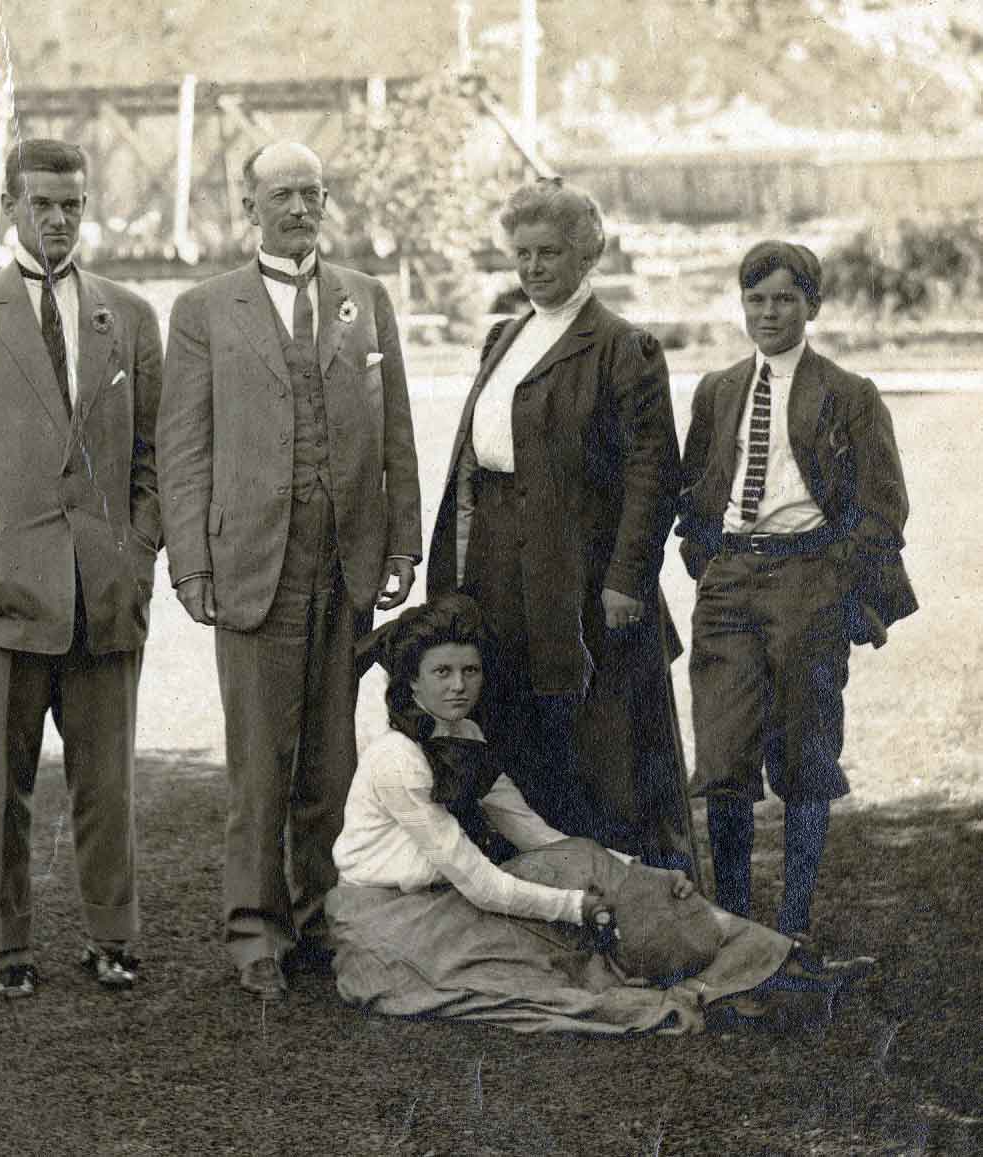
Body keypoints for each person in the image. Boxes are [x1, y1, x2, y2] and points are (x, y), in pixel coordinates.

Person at [329, 595, 875, 1036]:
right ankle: (757, 971)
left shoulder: (465, 735)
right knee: (551, 982)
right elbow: (478, 883)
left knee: (588, 863)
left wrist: (631, 868)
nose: (458, 686)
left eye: (469, 671)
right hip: (394, 920)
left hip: (449, 900)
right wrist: (575, 906)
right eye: (441, 672)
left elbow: (535, 835)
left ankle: (763, 961)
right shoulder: (397, 760)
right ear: (412, 682)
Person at [157, 141, 422, 1000]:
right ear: (249, 205)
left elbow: (396, 434)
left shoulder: (366, 298)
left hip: (343, 563)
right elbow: (184, 446)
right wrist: (191, 564)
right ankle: (253, 933)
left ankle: (321, 919)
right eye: (281, 194)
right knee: (259, 763)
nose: (300, 207)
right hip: (251, 565)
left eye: (313, 192)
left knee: (332, 761)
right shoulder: (204, 309)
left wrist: (401, 544)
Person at [0, 139, 162, 997]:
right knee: (0, 782)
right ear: (9, 205)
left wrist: (139, 544)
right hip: (1, 591)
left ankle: (112, 936)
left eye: (71, 206)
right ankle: (8, 944)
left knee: (106, 782)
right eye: (41, 204)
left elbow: (154, 453)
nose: (57, 220)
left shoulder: (126, 313)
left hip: (103, 591)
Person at [425, 179, 694, 871]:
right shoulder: (503, 336)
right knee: (506, 735)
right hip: (494, 569)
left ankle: (619, 902)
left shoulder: (620, 346)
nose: (534, 267)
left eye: (549, 252)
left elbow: (651, 473)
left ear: (585, 255)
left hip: (580, 580)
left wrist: (627, 578)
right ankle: (528, 901)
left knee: (594, 751)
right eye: (522, 254)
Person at [677, 241, 916, 944]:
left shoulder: (846, 393)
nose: (769, 312)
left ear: (812, 304)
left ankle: (792, 922)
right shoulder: (717, 389)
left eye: (785, 298)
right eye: (756, 299)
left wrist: (835, 577)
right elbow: (696, 484)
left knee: (804, 755)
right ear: (741, 304)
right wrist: (705, 553)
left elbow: (882, 504)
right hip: (728, 583)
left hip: (807, 579)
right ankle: (733, 923)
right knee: (721, 759)